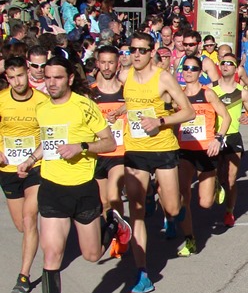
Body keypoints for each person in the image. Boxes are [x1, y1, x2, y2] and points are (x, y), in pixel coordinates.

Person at [17, 56, 130, 293]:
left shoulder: (84, 106)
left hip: (82, 189)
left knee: (92, 254)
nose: (51, 83)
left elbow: (108, 143)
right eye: (47, 78)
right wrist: (31, 159)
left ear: (69, 78)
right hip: (52, 189)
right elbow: (47, 142)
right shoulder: (43, 108)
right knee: (51, 255)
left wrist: (81, 147)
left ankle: (111, 225)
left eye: (57, 77)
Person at [118, 32, 196, 292]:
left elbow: (188, 111)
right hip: (135, 150)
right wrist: (120, 112)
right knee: (136, 212)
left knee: (173, 209)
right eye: (133, 50)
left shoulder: (163, 77)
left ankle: (173, 212)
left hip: (162, 149)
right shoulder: (125, 76)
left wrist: (160, 121)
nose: (136, 55)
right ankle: (143, 274)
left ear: (152, 52)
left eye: (142, 50)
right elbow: (130, 105)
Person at [0, 57, 48, 293]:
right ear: (7, 78)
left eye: (21, 75)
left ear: (27, 74)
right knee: (22, 225)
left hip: (34, 167)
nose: (18, 81)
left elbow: (49, 134)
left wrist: (32, 159)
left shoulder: (41, 101)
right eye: (12, 77)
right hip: (8, 169)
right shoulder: (1, 101)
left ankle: (23, 275)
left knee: (30, 218)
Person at [176, 55, 231, 257]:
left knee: (205, 203)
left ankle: (215, 182)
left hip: (206, 150)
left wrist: (218, 138)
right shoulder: (178, 96)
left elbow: (226, 117)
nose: (189, 71)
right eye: (186, 68)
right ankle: (189, 238)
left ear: (200, 72)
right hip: (184, 151)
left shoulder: (208, 94)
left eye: (193, 68)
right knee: (184, 195)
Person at [90, 46, 129, 259]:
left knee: (114, 195)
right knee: (104, 201)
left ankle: (119, 238)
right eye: (103, 62)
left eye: (110, 62)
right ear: (97, 63)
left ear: (118, 64)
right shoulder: (90, 92)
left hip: (119, 152)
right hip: (97, 154)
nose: (106, 67)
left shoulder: (126, 91)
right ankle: (114, 229)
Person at [213, 53, 248, 227]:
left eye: (229, 64)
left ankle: (229, 212)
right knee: (217, 175)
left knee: (232, 178)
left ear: (236, 68)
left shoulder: (242, 92)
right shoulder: (211, 89)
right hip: (215, 137)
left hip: (232, 137)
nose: (225, 66)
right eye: (222, 63)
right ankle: (217, 185)